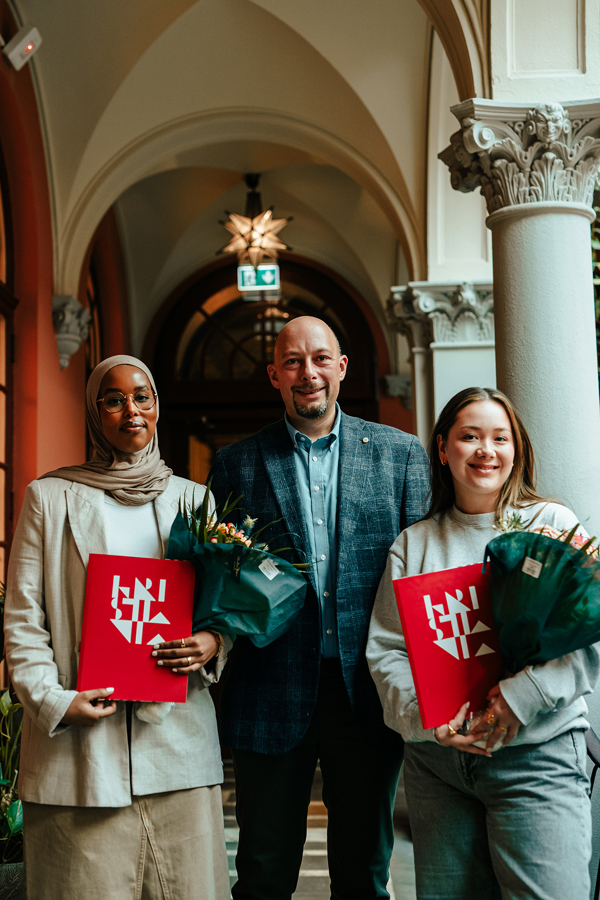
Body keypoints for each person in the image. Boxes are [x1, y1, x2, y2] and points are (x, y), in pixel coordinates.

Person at [208, 315, 430, 900]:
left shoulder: (401, 456)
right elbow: (222, 578)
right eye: (293, 362)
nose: (308, 373)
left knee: (363, 874)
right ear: (274, 375)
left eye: (320, 359)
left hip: (367, 689)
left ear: (342, 368)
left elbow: (424, 576)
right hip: (268, 686)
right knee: (262, 872)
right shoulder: (236, 464)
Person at [4, 355, 230, 900]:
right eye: (113, 399)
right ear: (94, 412)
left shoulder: (193, 500)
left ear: (157, 407)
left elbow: (220, 608)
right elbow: (22, 618)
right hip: (78, 755)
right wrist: (55, 702)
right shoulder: (49, 498)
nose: (131, 411)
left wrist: (212, 642)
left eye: (142, 397)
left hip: (175, 744)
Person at [367, 386, 598, 900]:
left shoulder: (552, 526)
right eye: (470, 437)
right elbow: (387, 650)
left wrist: (522, 697)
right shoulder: (414, 544)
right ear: (444, 446)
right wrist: (426, 715)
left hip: (535, 758)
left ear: (517, 449)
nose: (485, 451)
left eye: (500, 438)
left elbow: (589, 636)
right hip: (438, 769)